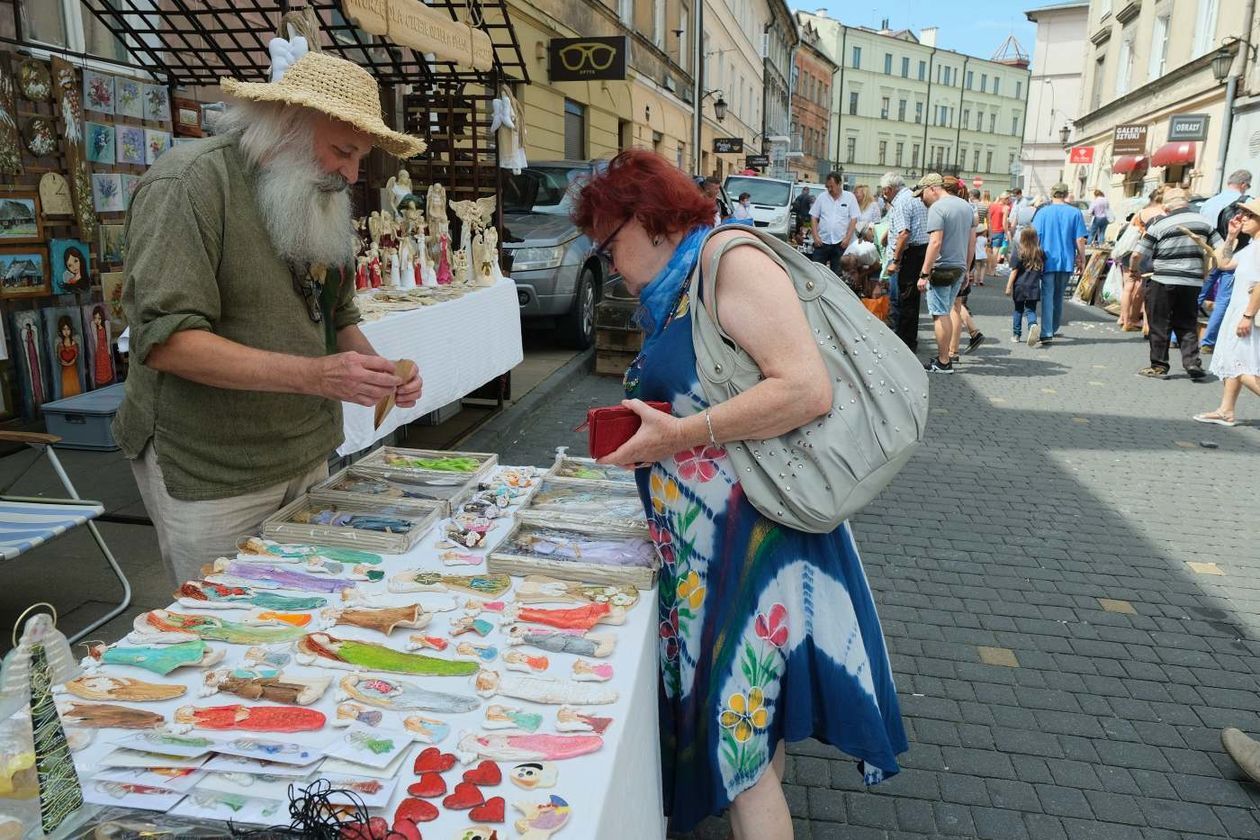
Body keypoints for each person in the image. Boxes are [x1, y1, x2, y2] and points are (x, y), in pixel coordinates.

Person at [572, 149, 906, 840]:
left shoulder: (730, 260)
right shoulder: (679, 285)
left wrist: (679, 434)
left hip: (755, 545)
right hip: (715, 548)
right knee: (752, 736)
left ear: (650, 219)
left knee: (741, 757)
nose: (606, 263)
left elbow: (804, 390)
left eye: (609, 244)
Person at [113, 50, 425, 585]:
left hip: (305, 449)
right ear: (285, 126)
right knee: (226, 626)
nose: (350, 174)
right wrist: (315, 375)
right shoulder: (189, 184)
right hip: (214, 467)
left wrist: (382, 372)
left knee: (308, 618)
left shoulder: (316, 191)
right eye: (343, 152)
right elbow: (168, 341)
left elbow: (336, 314)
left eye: (359, 159)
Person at [1128, 187, 1220, 379]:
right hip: (1192, 282)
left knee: (1159, 322)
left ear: (1167, 207)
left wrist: (1134, 270)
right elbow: (1219, 250)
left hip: (1163, 279)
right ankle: (1192, 363)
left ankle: (1159, 366)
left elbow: (1137, 253)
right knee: (1187, 322)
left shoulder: (1161, 224)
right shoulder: (1205, 223)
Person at [1193, 200, 1260, 424]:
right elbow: (1223, 263)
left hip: (1248, 311)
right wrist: (1231, 236)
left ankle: (1226, 410)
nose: (1243, 218)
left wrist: (1248, 316)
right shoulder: (1251, 246)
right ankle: (1226, 409)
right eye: (1243, 213)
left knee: (1240, 364)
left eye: (1249, 215)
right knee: (1233, 360)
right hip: (1239, 309)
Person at [915, 172, 975, 373]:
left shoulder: (938, 208)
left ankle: (943, 361)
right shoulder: (965, 206)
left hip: (941, 268)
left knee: (940, 314)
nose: (922, 199)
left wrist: (924, 273)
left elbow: (935, 242)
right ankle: (946, 356)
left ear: (932, 189)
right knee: (948, 312)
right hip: (959, 267)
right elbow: (970, 242)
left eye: (922, 194)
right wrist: (966, 268)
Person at [1200, 170, 1253, 353]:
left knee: (1199, 294)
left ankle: (1179, 335)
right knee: (1223, 299)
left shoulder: (1210, 202)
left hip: (1211, 251)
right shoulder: (1247, 203)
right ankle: (1208, 341)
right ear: (1244, 184)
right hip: (1236, 252)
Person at [1030, 183, 1087, 345]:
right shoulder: (1075, 212)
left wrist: (1033, 258)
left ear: (1052, 194)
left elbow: (1035, 237)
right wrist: (1082, 258)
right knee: (1059, 295)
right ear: (1066, 194)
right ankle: (1053, 327)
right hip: (1066, 260)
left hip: (1046, 259)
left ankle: (1047, 331)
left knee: (1047, 294)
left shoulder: (1043, 212)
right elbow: (1080, 239)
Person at [881, 171, 929, 350]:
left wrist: (895, 260)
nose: (884, 194)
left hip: (907, 255)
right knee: (911, 301)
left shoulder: (900, 202)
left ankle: (901, 341)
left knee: (899, 300)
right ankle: (909, 340)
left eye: (884, 191)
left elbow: (904, 233)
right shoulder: (913, 197)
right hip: (919, 251)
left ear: (888, 189)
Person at [810, 171, 859, 276]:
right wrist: (815, 236)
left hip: (840, 242)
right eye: (827, 187)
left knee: (837, 273)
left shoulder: (850, 197)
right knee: (816, 271)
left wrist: (847, 238)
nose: (830, 190)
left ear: (839, 184)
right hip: (822, 241)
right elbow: (814, 217)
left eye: (832, 186)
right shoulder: (822, 197)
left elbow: (853, 219)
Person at [1006, 227, 1044, 346]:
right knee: (1031, 309)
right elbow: (1042, 269)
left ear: (1022, 238)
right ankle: (1032, 324)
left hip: (1020, 286)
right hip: (1034, 286)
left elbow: (1014, 271)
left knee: (1018, 310)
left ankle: (1016, 335)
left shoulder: (1019, 252)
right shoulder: (1040, 252)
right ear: (1035, 238)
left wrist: (1008, 287)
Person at [986, 193, 1010, 278]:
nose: (1009, 201)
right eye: (1008, 199)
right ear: (1004, 199)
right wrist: (1007, 233)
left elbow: (988, 219)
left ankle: (988, 269)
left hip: (990, 230)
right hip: (999, 230)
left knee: (989, 250)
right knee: (996, 251)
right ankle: (993, 270)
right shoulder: (1005, 208)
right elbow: (1004, 223)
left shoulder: (991, 206)